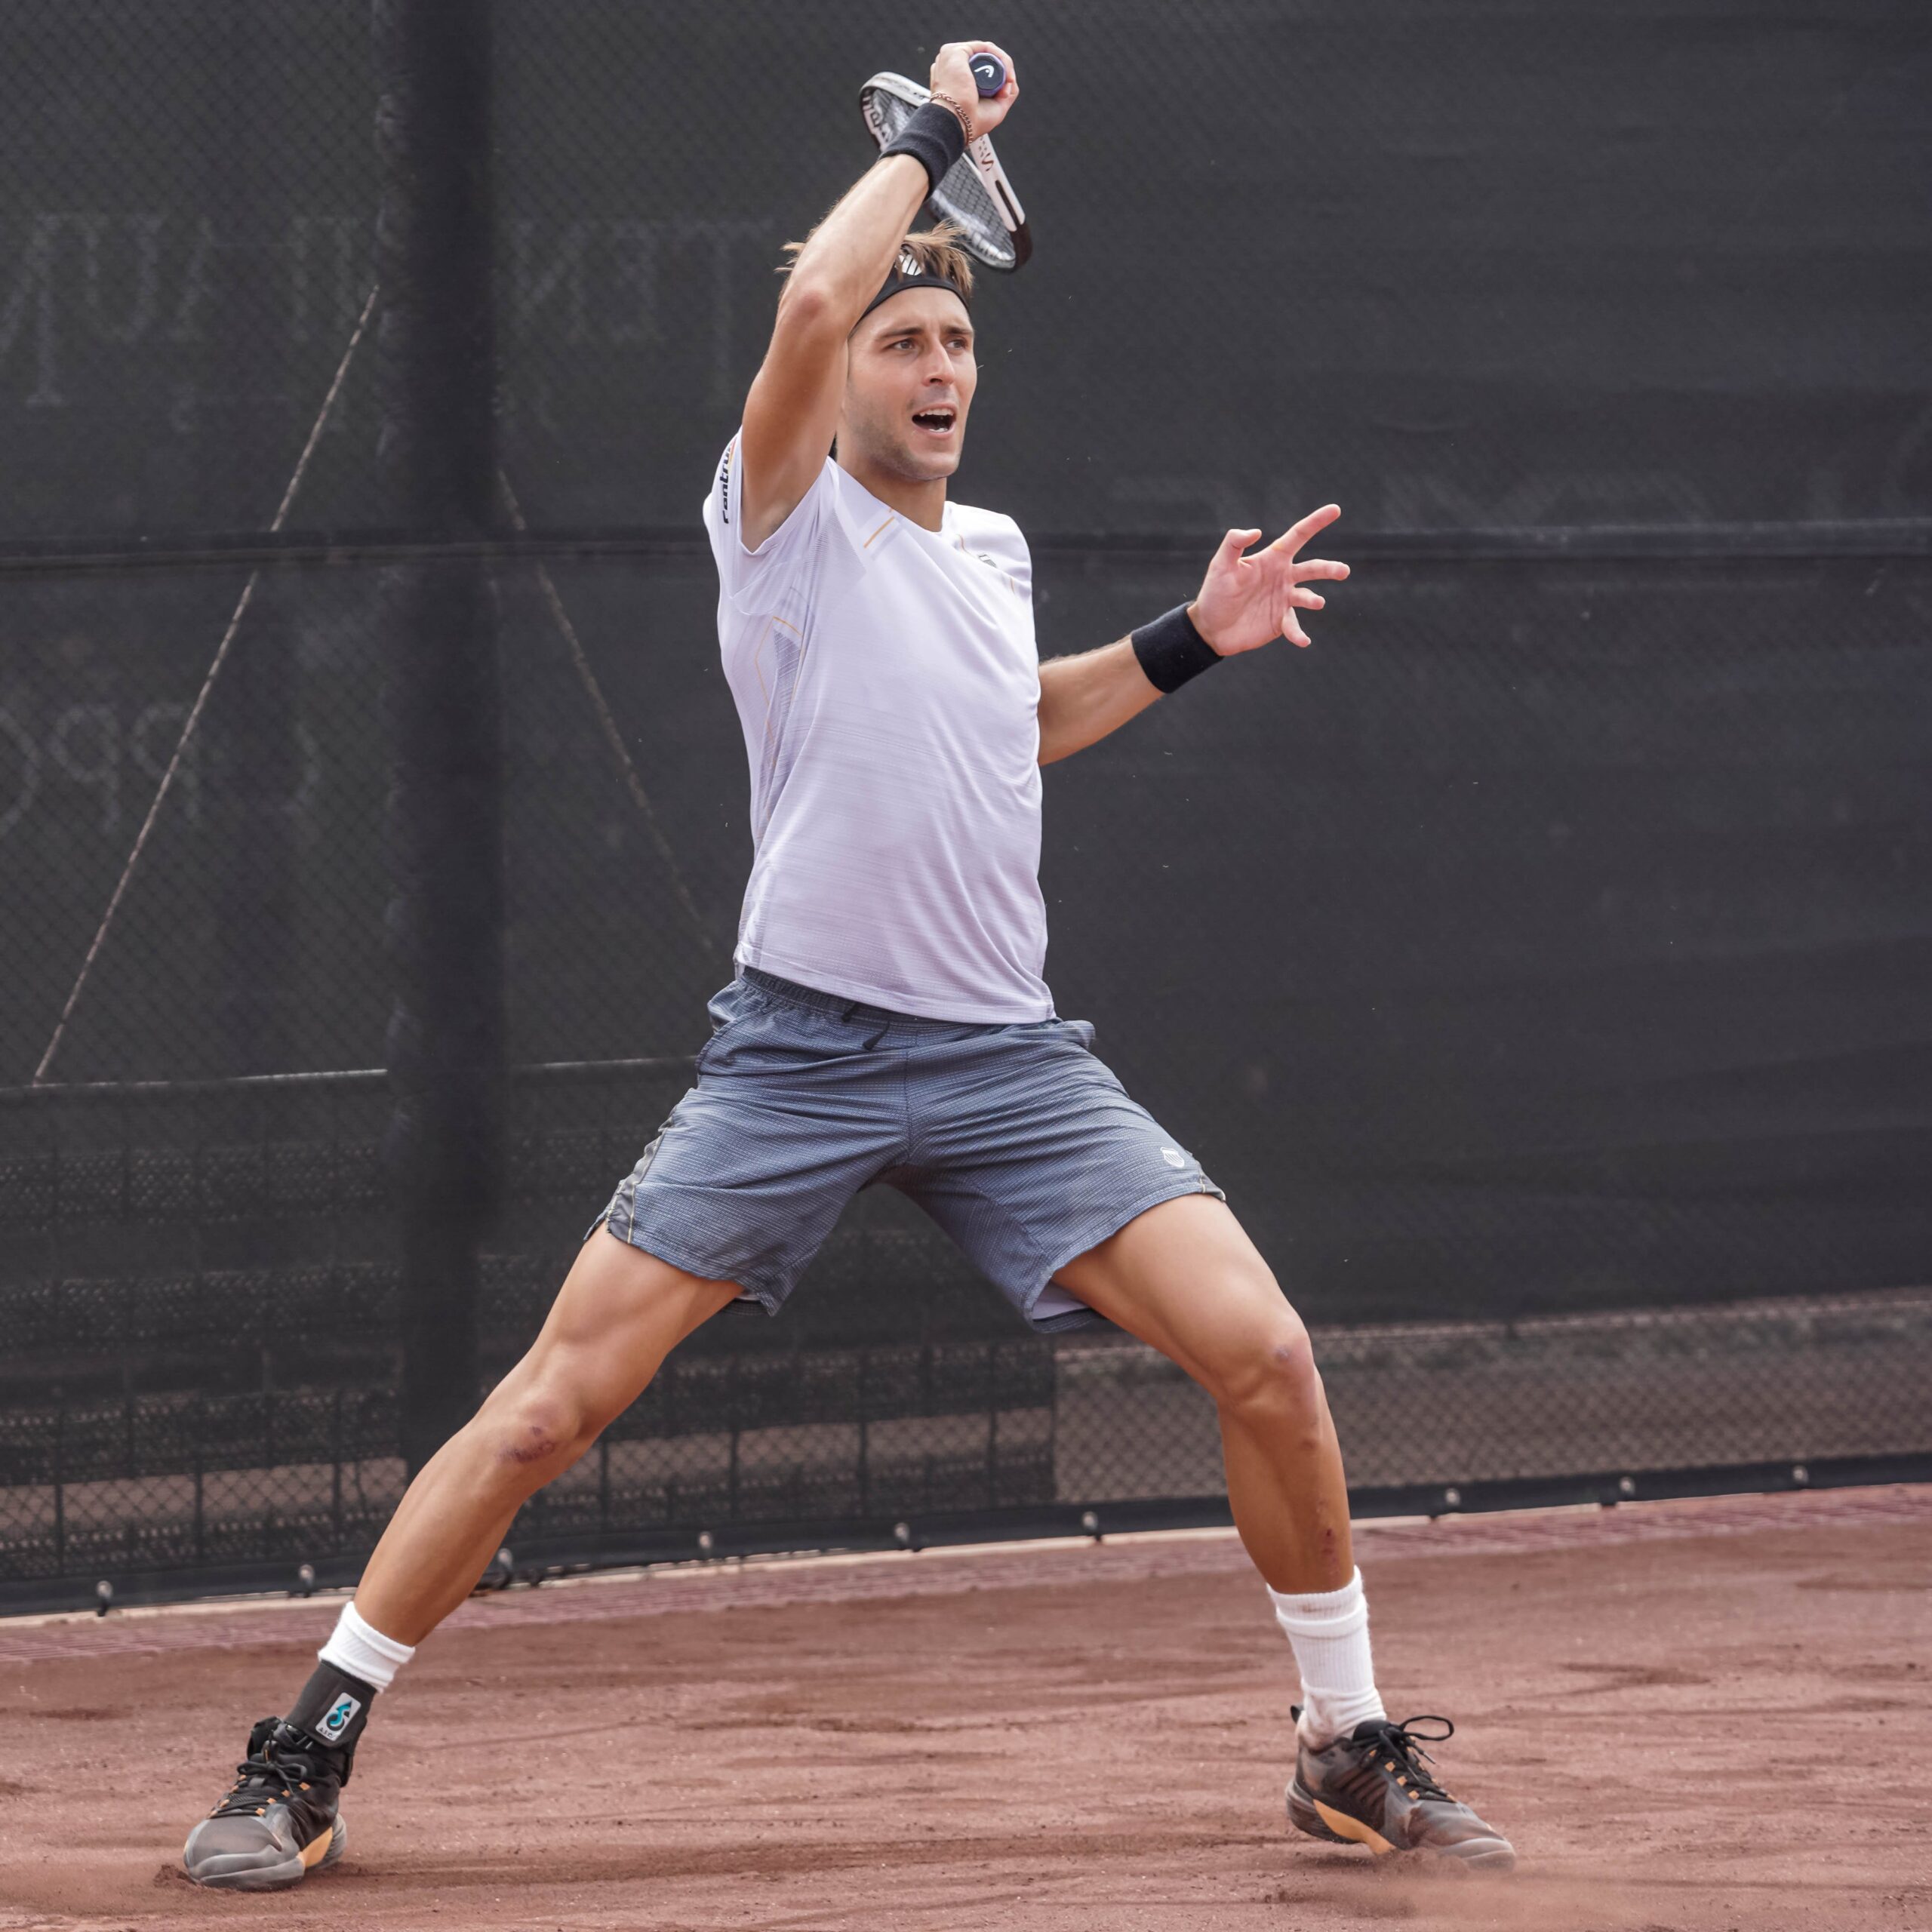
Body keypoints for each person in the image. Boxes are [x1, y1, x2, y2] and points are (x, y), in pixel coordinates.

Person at [182, 38, 1513, 1890]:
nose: (938, 366)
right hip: (797, 1056)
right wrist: (932, 135)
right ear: (845, 381)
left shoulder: (992, 551)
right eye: (907, 344)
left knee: (1267, 1354)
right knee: (552, 1403)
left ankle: (1337, 1740)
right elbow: (813, 287)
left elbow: (1005, 726)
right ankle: (301, 1750)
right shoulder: (776, 517)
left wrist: (1188, 641)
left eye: (957, 344)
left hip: (1011, 1066)